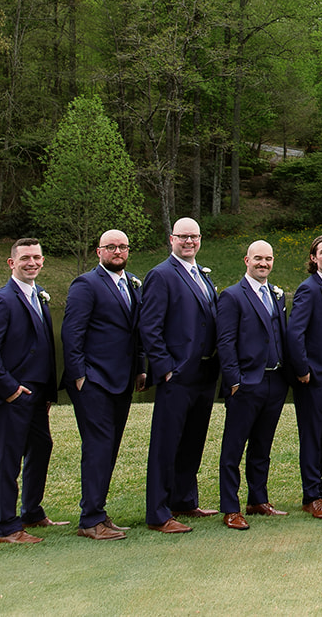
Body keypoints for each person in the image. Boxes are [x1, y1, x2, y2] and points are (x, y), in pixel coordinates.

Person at [0, 238, 65, 543]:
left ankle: (32, 513)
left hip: (37, 395)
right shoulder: (2, 299)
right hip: (12, 395)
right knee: (8, 460)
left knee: (42, 448)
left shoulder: (39, 296)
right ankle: (7, 527)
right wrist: (10, 389)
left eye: (37, 257)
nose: (32, 263)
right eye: (25, 258)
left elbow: (45, 348)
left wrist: (48, 393)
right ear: (12, 263)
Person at [61, 228, 146, 541]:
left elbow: (135, 332)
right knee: (97, 446)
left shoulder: (131, 283)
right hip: (93, 380)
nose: (118, 252)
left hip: (121, 380)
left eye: (123, 246)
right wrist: (79, 375)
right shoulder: (86, 284)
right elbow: (72, 333)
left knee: (108, 447)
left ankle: (98, 511)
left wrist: (140, 368)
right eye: (111, 247)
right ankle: (90, 520)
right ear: (99, 251)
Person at [138, 217, 218, 534]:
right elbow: (150, 327)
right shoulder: (161, 275)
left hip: (204, 374)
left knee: (192, 442)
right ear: (171, 239)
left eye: (194, 237)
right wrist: (166, 368)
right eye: (183, 237)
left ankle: (184, 500)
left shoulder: (202, 274)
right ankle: (158, 513)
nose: (189, 242)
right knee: (165, 445)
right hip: (178, 374)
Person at [215, 240, 290, 529]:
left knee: (262, 445)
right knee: (233, 448)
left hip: (275, 380)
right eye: (258, 258)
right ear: (246, 260)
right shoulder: (232, 296)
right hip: (246, 383)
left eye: (268, 259)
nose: (264, 264)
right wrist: (234, 381)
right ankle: (230, 508)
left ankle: (258, 499)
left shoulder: (277, 295)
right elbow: (225, 341)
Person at [287, 234, 322, 519]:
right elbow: (295, 333)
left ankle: (319, 488)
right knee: (311, 436)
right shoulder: (308, 289)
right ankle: (311, 497)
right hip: (311, 378)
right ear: (313, 258)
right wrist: (303, 370)